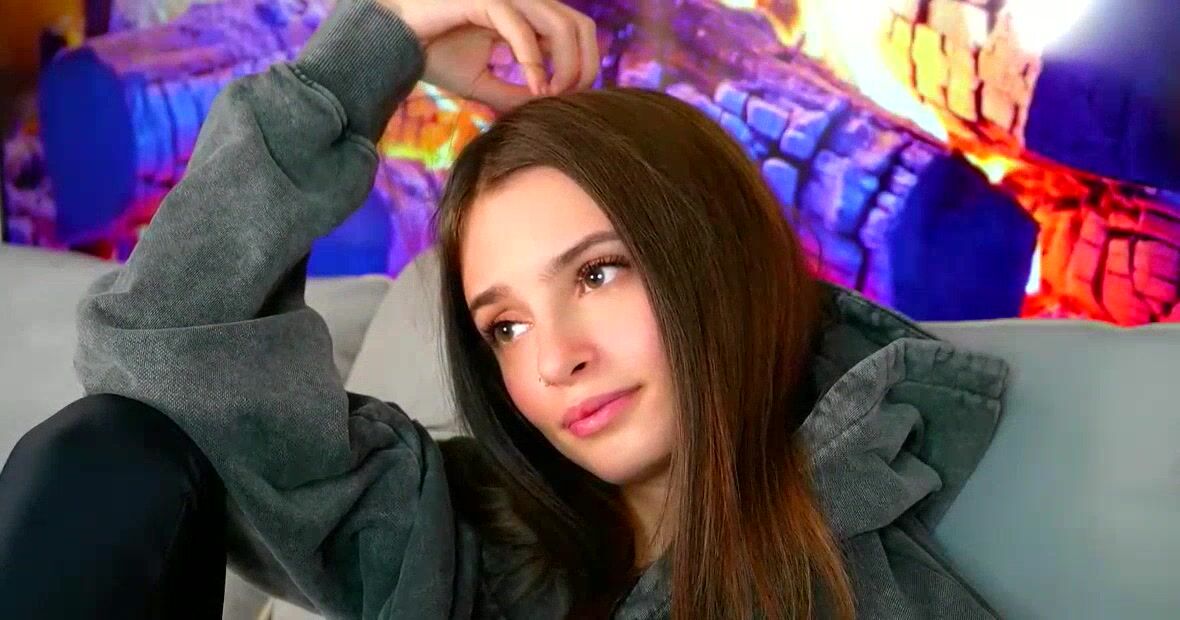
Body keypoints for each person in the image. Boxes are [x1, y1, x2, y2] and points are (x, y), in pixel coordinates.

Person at [0, 0, 1010, 617]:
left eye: (598, 272)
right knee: (104, 449)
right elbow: (156, 346)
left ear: (714, 255)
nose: (554, 357)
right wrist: (380, 46)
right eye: (505, 326)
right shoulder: (454, 545)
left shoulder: (865, 571)